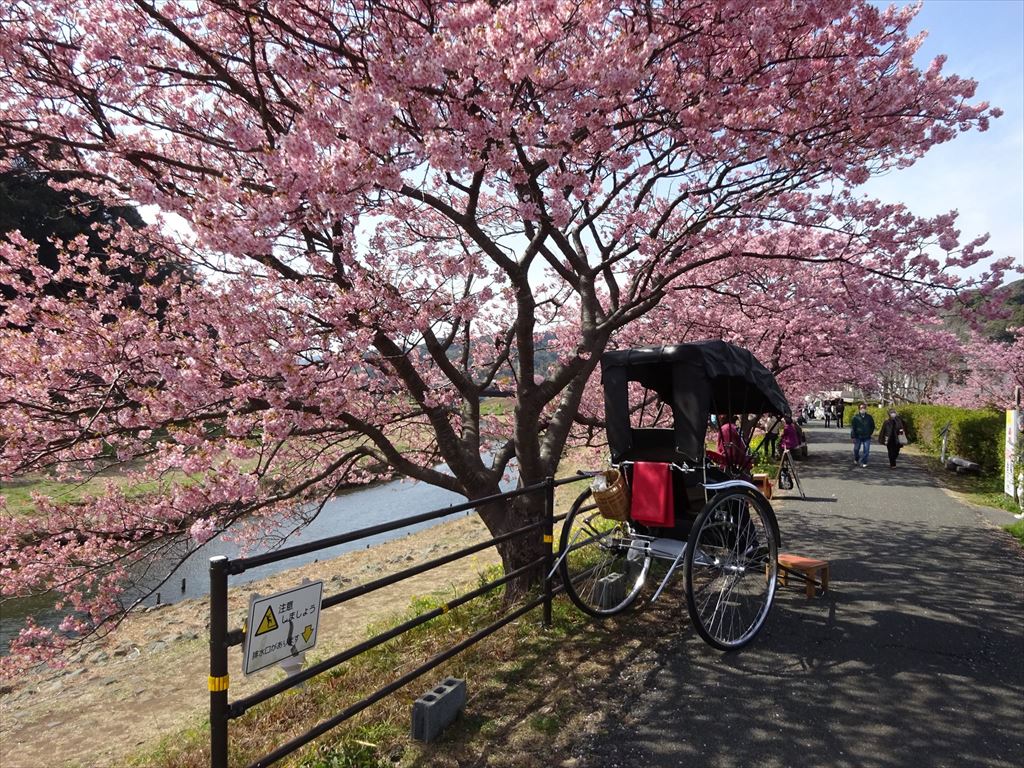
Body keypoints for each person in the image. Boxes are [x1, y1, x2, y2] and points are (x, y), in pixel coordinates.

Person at [850, 402, 875, 467]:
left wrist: (870, 433)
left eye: (864, 408)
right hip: (858, 436)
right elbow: (853, 427)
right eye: (861, 408)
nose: (863, 409)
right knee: (856, 449)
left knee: (866, 450)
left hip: (867, 436)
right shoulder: (855, 417)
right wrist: (853, 437)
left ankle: (864, 461)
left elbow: (872, 426)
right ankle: (856, 458)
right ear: (859, 409)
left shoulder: (869, 417)